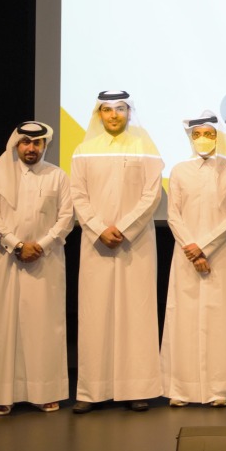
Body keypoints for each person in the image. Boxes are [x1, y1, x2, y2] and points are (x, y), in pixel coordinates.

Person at [70, 91, 164, 413]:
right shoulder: (84, 150)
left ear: (129, 112)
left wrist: (123, 227)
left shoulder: (144, 147)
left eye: (120, 109)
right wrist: (99, 228)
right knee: (95, 314)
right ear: (99, 114)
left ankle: (136, 388)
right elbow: (78, 196)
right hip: (96, 243)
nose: (114, 115)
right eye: (107, 110)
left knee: (136, 314)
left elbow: (152, 194)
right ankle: (92, 390)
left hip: (135, 244)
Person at [160, 111, 226, 407]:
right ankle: (181, 388)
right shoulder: (179, 171)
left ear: (218, 137)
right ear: (190, 137)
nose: (203, 139)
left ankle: (220, 388)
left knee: (220, 319)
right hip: (185, 254)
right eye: (198, 134)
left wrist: (204, 247)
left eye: (209, 134)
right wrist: (191, 247)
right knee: (184, 318)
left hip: (220, 254)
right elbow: (173, 214)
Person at [0, 122, 74, 416]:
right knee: (4, 326)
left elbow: (66, 218)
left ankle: (45, 392)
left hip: (46, 261)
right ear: (16, 145)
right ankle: (1, 393)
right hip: (7, 260)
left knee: (44, 326)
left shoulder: (57, 176)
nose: (31, 148)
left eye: (37, 143)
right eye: (25, 143)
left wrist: (41, 245)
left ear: (45, 146)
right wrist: (17, 245)